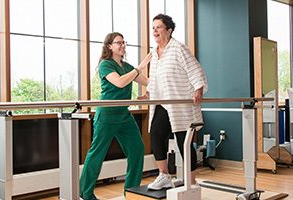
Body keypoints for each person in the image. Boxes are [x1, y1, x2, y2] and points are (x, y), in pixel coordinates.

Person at [79, 32, 152, 200]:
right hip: (107, 114)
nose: (122, 45)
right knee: (97, 153)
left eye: (124, 42)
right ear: (109, 46)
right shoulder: (105, 64)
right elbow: (120, 82)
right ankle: (85, 193)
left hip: (123, 115)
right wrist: (139, 68)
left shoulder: (127, 66)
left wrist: (148, 91)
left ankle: (132, 191)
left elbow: (147, 81)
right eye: (118, 43)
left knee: (137, 149)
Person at [146, 14, 208, 190]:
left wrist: (198, 89)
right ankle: (164, 175)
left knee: (184, 141)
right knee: (156, 134)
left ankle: (192, 182)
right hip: (162, 101)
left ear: (169, 30)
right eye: (153, 27)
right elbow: (156, 78)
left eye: (158, 27)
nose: (155, 31)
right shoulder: (154, 52)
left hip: (180, 103)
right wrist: (148, 92)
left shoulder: (178, 48)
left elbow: (196, 70)